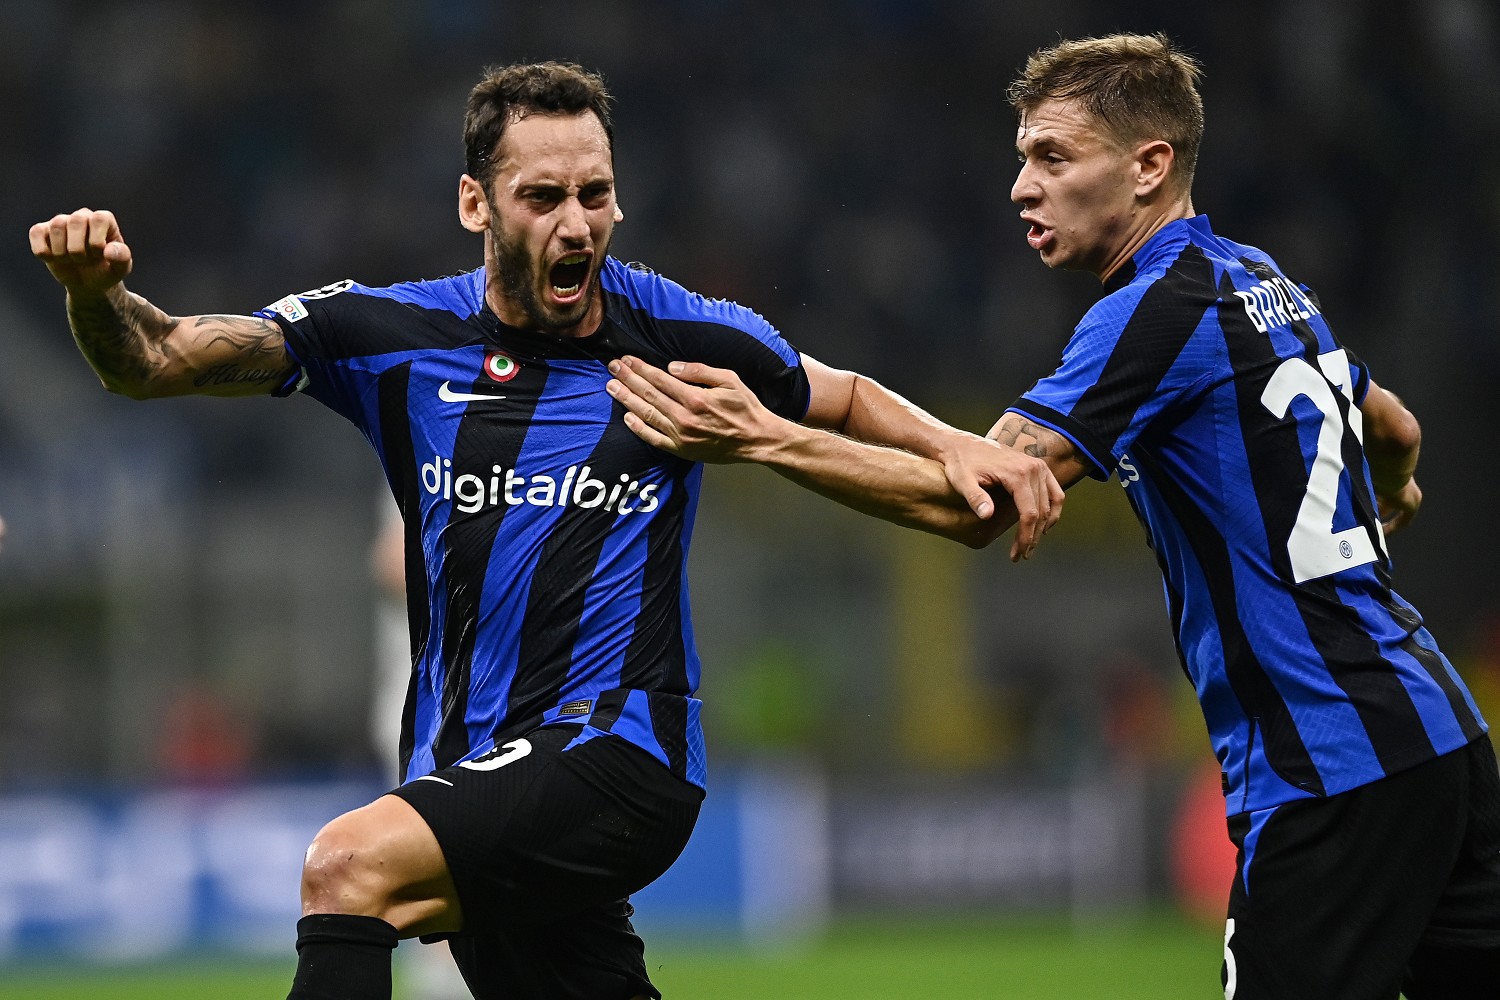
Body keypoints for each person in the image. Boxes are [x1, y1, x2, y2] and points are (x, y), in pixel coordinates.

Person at [29, 62, 1060, 1000]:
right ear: (474, 203)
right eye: (543, 196)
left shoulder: (675, 330)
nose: (577, 224)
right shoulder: (390, 335)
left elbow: (842, 395)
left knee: (346, 867)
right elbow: (153, 360)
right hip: (470, 758)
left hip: (621, 750)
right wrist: (94, 294)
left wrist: (964, 447)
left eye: (595, 194)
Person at [604, 33, 1500, 1000]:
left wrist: (765, 438)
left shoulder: (1151, 310)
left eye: (1054, 158)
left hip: (1329, 765)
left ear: (1150, 166)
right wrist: (1394, 489)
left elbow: (977, 501)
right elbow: (1395, 424)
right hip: (1443, 735)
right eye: (1023, 157)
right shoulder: (1261, 278)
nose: (1022, 187)